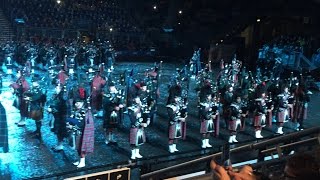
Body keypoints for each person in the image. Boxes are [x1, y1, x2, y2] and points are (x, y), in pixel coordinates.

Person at [71, 88, 95, 168]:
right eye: (76, 103)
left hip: (82, 132)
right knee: (77, 147)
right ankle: (79, 160)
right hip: (76, 132)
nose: (77, 104)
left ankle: (82, 161)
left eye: (79, 103)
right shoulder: (76, 111)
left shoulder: (85, 112)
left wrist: (73, 122)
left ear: (82, 103)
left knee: (82, 147)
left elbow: (82, 123)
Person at [23, 75, 46, 141]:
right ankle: (37, 131)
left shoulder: (39, 89)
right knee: (36, 119)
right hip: (34, 106)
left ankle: (39, 133)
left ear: (37, 82)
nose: (33, 83)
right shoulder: (33, 88)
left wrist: (29, 98)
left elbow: (37, 97)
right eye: (33, 82)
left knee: (38, 119)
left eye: (34, 82)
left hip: (38, 106)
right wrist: (26, 94)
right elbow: (30, 92)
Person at [48, 83, 68, 151]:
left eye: (57, 87)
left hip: (61, 117)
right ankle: (59, 144)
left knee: (60, 131)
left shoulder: (62, 98)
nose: (55, 89)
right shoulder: (56, 96)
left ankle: (60, 145)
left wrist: (52, 110)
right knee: (57, 131)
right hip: (57, 116)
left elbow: (62, 109)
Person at [167, 87, 187, 153]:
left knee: (176, 136)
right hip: (173, 122)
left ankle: (174, 147)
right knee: (171, 136)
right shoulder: (170, 106)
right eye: (176, 97)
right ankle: (170, 147)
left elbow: (182, 111)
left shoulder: (179, 104)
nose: (178, 99)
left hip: (178, 123)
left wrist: (184, 114)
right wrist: (180, 118)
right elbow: (172, 116)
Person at [128, 94, 148, 159]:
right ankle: (133, 154)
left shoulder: (141, 107)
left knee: (139, 140)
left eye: (139, 99)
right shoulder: (131, 108)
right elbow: (132, 119)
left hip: (140, 126)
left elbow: (144, 115)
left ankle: (137, 153)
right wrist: (140, 124)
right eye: (137, 99)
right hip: (134, 126)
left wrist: (145, 121)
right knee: (133, 141)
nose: (138, 100)